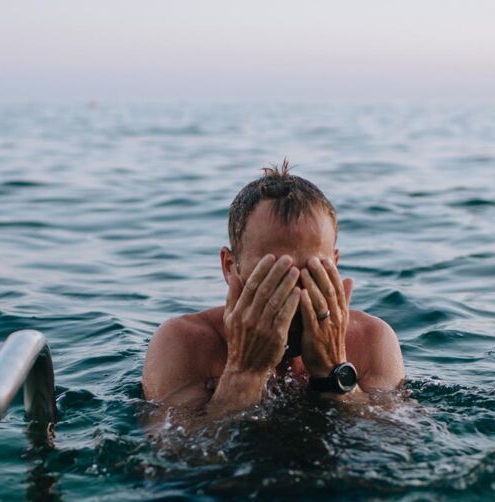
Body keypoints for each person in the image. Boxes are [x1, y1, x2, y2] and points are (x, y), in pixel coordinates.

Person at [143, 161, 405, 422]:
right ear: (231, 267)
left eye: (311, 273)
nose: (293, 293)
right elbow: (173, 457)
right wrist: (244, 372)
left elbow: (393, 449)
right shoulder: (183, 344)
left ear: (334, 267)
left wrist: (334, 370)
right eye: (274, 274)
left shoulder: (372, 340)